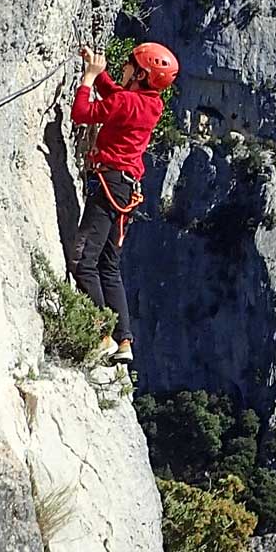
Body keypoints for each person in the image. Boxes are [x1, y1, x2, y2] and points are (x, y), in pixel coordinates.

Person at [68, 41, 177, 365]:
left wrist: (88, 80)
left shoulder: (128, 102)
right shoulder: (150, 103)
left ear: (142, 74)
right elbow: (119, 99)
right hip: (125, 189)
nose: (125, 65)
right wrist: (100, 75)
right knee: (108, 265)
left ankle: (102, 335)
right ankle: (124, 340)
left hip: (108, 185)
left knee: (83, 260)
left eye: (130, 63)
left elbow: (81, 113)